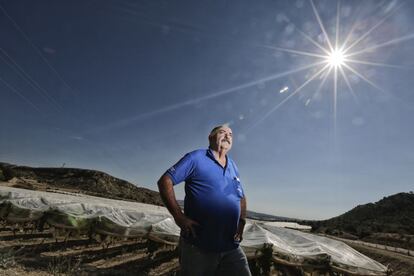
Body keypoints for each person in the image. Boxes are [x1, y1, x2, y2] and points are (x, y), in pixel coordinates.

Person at [157, 125, 251, 276]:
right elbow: (165, 181)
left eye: (231, 134)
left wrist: (242, 222)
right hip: (198, 247)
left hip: (231, 246)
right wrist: (179, 217)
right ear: (210, 137)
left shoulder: (233, 166)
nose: (227, 136)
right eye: (222, 132)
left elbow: (241, 196)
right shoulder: (196, 158)